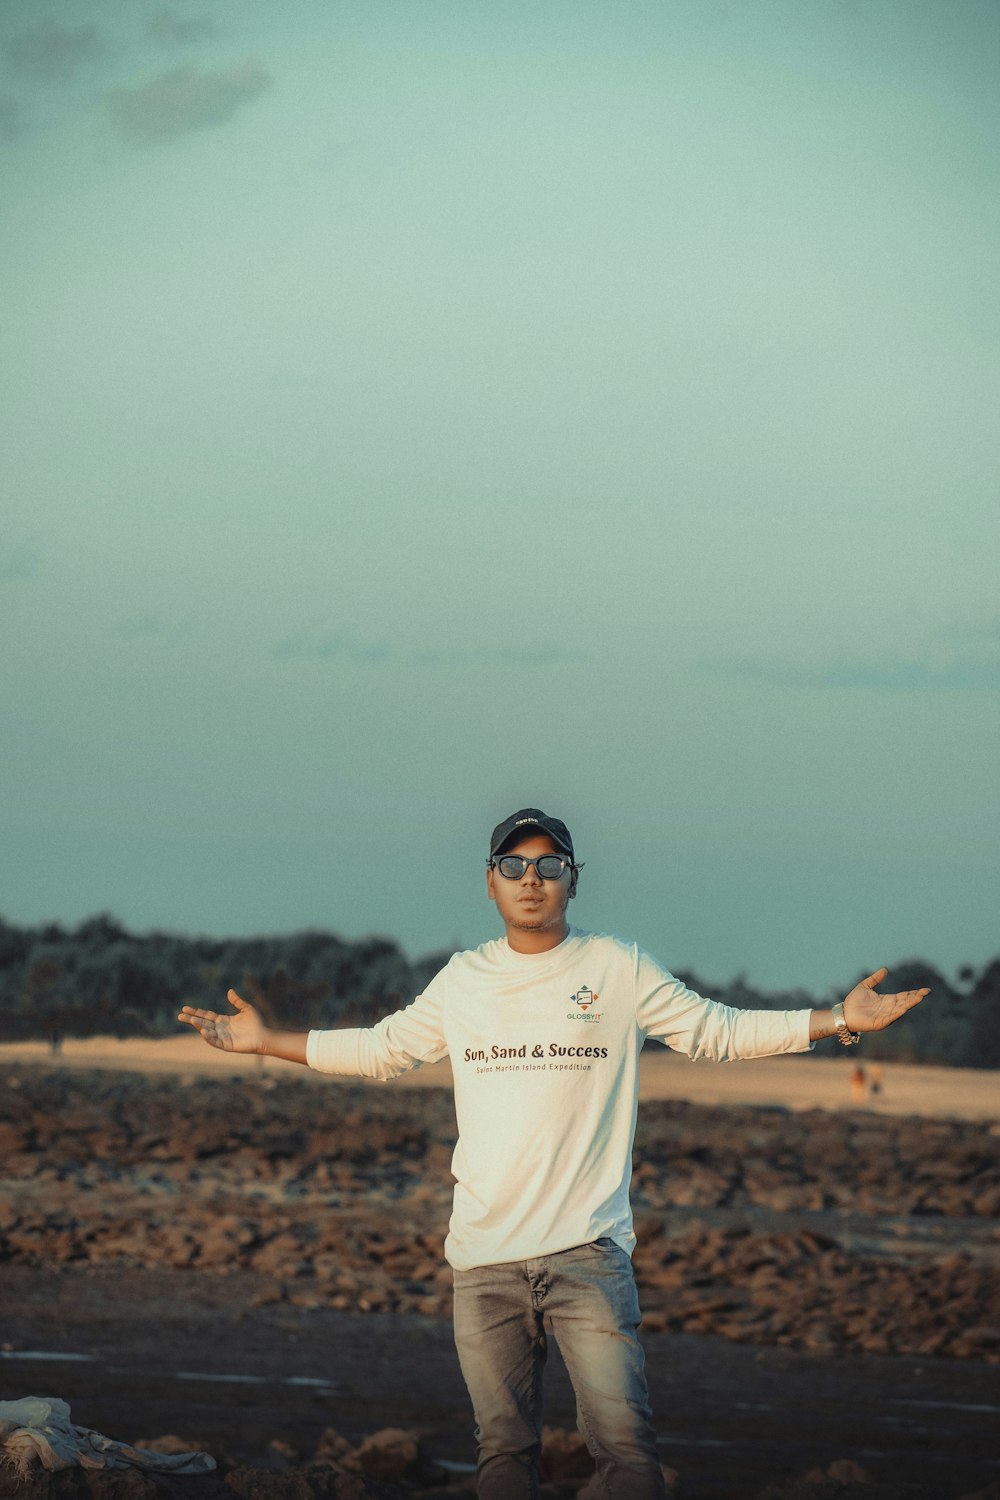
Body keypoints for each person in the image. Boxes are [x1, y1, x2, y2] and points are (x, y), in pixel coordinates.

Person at [179, 807, 929, 1499]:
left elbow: (718, 1032)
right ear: (489, 882)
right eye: (513, 865)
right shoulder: (464, 980)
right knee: (503, 1456)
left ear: (574, 879)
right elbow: (381, 1049)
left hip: (589, 1256)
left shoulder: (617, 969)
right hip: (484, 1263)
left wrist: (838, 1020)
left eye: (548, 865)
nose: (530, 880)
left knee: (628, 1454)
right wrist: (266, 1040)